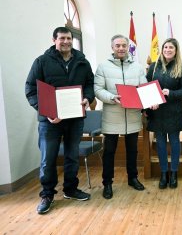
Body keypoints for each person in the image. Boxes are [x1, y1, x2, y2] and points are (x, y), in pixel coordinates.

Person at [25, 27, 95, 214]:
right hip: (50, 121)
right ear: (54, 40)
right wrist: (45, 111)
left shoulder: (82, 62)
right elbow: (31, 89)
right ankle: (47, 194)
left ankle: (70, 189)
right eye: (62, 38)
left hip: (74, 119)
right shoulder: (41, 61)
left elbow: (90, 85)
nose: (66, 41)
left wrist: (88, 98)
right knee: (48, 159)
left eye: (69, 38)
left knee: (72, 156)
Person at [94, 34, 147, 199]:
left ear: (128, 47)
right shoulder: (103, 67)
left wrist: (147, 98)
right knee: (109, 151)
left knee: (133, 150)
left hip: (132, 115)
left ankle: (133, 178)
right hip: (112, 115)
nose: (121, 48)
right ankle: (107, 183)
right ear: (112, 48)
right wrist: (111, 97)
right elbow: (97, 89)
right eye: (118, 46)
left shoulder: (138, 67)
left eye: (124, 45)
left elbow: (144, 88)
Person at [146, 38, 182, 189]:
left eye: (171, 47)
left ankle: (174, 172)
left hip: (173, 111)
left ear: (176, 50)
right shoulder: (153, 67)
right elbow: (146, 88)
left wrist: (170, 93)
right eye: (165, 47)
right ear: (162, 49)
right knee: (160, 144)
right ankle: (163, 173)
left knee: (174, 143)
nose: (168, 50)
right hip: (157, 112)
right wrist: (150, 102)